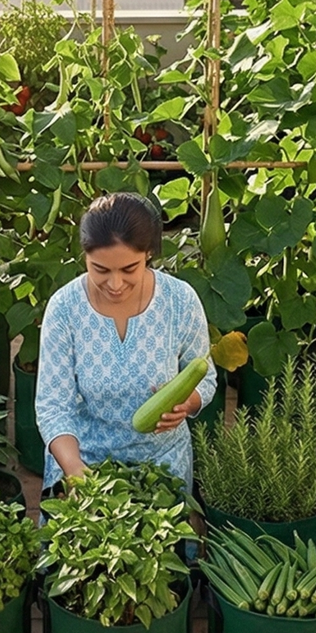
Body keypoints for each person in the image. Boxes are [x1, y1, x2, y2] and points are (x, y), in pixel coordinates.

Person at [34, 192, 218, 490]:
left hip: (163, 465)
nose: (115, 284)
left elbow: (205, 377)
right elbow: (54, 407)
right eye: (100, 269)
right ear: (85, 256)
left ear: (149, 254)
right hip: (84, 460)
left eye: (129, 269)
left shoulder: (180, 300)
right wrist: (74, 469)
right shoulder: (65, 308)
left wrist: (187, 402)